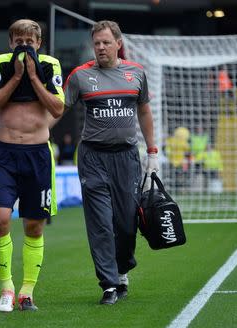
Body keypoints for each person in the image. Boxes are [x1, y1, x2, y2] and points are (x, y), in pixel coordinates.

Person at [64, 20, 158, 305]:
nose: (101, 48)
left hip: (127, 157)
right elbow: (58, 109)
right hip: (92, 157)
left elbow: (144, 112)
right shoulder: (79, 76)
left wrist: (152, 152)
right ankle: (108, 284)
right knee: (101, 223)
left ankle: (122, 269)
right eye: (96, 43)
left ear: (118, 43)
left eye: (106, 42)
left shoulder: (136, 74)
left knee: (127, 222)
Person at [0, 19, 64, 312]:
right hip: (5, 155)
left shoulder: (51, 65)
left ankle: (27, 291)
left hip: (38, 156)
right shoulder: (1, 64)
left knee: (33, 226)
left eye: (30, 42)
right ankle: (6, 287)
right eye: (19, 42)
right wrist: (16, 78)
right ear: (11, 43)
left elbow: (57, 107)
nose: (24, 47)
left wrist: (33, 76)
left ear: (39, 44)